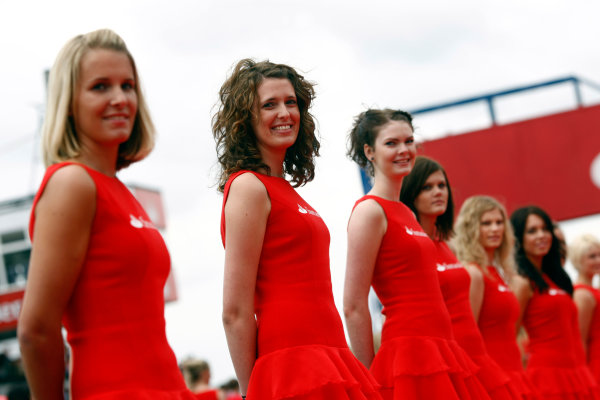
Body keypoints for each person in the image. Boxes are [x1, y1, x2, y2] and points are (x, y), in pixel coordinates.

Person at [17, 29, 195, 399]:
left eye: (127, 85)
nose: (119, 99)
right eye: (100, 87)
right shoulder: (72, 184)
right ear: (69, 102)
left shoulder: (118, 190)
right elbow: (36, 330)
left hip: (167, 388)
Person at [213, 59, 381, 400]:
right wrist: (251, 390)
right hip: (290, 361)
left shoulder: (284, 190)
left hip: (329, 350)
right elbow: (235, 311)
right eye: (269, 105)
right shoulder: (248, 187)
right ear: (245, 119)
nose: (284, 113)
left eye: (291, 102)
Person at [344, 109, 490, 400]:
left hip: (443, 348)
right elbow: (354, 304)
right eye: (391, 143)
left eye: (409, 141)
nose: (404, 150)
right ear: (369, 151)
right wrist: (368, 381)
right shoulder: (369, 211)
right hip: (409, 353)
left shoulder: (407, 213)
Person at [400, 157, 521, 400]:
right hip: (446, 361)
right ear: (411, 192)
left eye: (442, 186)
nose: (437, 192)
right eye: (427, 187)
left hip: (477, 361)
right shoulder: (411, 246)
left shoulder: (447, 247)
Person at [453, 196, 539, 399]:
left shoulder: (500, 274)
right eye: (486, 223)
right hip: (491, 377)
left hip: (514, 372)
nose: (495, 229)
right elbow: (466, 335)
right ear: (471, 228)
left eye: (499, 222)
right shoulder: (473, 273)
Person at [510, 206, 599, 399]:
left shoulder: (556, 279)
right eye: (532, 231)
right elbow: (511, 336)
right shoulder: (522, 282)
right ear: (518, 238)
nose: (541, 235)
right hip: (547, 377)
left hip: (576, 373)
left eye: (545, 229)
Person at [570, 234, 600, 384]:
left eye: (599, 255)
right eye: (592, 257)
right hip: (594, 366)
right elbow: (580, 339)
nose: (598, 260)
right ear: (578, 260)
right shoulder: (582, 294)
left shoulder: (592, 291)